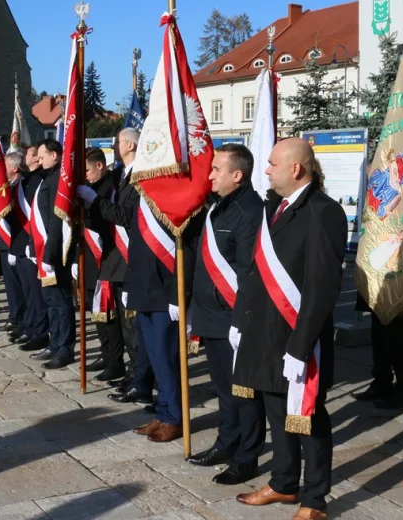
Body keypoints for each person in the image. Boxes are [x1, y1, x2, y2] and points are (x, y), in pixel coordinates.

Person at [232, 138, 346, 520]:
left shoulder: (323, 212)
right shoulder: (275, 209)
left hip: (298, 339)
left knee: (307, 419)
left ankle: (314, 500)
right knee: (277, 413)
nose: (265, 170)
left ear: (295, 169)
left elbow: (322, 287)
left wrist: (300, 346)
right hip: (265, 333)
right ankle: (283, 482)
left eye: (272, 164)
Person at [184, 143, 266, 485]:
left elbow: (249, 273)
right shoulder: (219, 206)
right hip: (211, 316)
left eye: (217, 169)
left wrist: (241, 321)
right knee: (224, 389)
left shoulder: (250, 211)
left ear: (237, 175)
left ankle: (247, 457)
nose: (211, 174)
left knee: (245, 393)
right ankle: (226, 443)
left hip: (234, 317)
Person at [120, 157, 204, 444]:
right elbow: (136, 246)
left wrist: (178, 295)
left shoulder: (177, 200)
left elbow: (187, 251)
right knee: (156, 359)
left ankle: (175, 418)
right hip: (144, 291)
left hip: (166, 294)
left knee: (168, 360)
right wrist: (130, 285)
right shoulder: (144, 200)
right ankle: (164, 411)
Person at [85, 129, 155, 409]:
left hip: (131, 261)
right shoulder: (121, 176)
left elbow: (128, 216)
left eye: (118, 142)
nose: (114, 146)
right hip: (116, 261)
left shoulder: (142, 176)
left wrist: (95, 201)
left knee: (134, 328)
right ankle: (133, 375)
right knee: (126, 328)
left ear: (130, 145)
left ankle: (141, 379)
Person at [75, 148, 125, 382]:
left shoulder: (111, 187)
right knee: (95, 312)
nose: (85, 175)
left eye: (87, 170)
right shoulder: (89, 187)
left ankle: (115, 361)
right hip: (89, 257)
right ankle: (105, 355)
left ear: (99, 165)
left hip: (107, 256)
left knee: (109, 313)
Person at [27, 139, 76, 369]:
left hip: (55, 252)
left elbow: (57, 220)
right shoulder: (48, 177)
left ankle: (65, 348)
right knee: (51, 300)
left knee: (61, 302)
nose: (39, 159)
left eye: (42, 155)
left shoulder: (58, 179)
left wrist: (50, 253)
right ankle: (55, 343)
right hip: (44, 250)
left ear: (55, 155)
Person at [13, 143, 50, 349]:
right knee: (28, 292)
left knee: (37, 294)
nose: (24, 156)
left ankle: (40, 333)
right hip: (21, 244)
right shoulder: (25, 180)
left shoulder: (39, 180)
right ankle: (29, 327)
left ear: (36, 158)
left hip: (34, 243)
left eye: (27, 153)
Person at [351, 294, 403, 410]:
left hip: (394, 288)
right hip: (377, 286)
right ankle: (382, 382)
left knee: (394, 330)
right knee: (378, 329)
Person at [0, 151, 29, 336]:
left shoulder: (20, 186)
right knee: (11, 286)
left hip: (15, 243)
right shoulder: (9, 185)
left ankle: (21, 321)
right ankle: (15, 318)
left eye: (4, 165)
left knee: (19, 286)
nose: (1, 169)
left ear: (14, 168)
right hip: (6, 243)